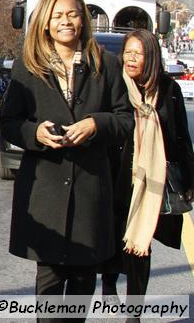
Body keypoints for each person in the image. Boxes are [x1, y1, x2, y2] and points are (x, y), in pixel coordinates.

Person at [0, 0, 131, 318]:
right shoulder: (28, 67)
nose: (65, 21)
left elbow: (126, 119)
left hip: (90, 188)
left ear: (83, 19)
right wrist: (35, 133)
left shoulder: (106, 64)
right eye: (57, 16)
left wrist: (95, 124)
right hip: (45, 189)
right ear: (45, 23)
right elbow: (9, 121)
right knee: (50, 279)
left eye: (72, 14)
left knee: (84, 277)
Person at [100, 29, 194, 302]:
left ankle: (134, 310)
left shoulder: (168, 89)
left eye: (137, 53)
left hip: (152, 178)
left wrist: (189, 180)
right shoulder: (113, 84)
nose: (130, 58)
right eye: (127, 52)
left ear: (150, 57)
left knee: (142, 244)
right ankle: (108, 283)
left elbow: (180, 138)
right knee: (114, 236)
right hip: (115, 174)